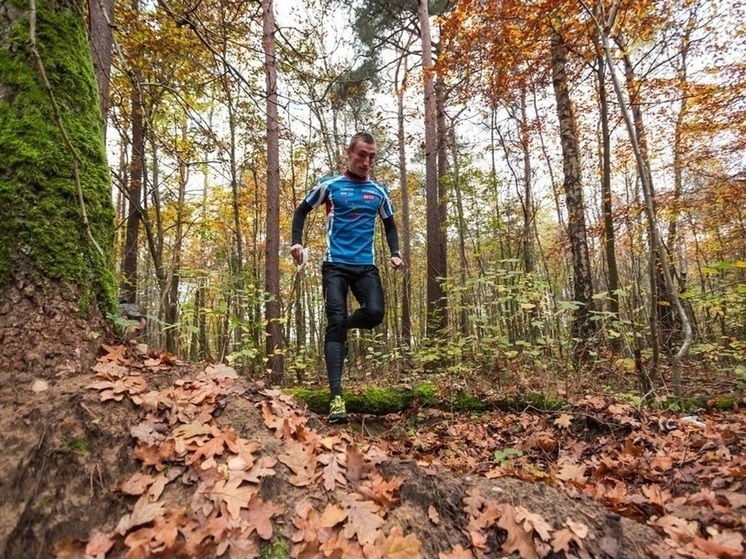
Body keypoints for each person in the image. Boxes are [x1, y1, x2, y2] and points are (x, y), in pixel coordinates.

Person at [290, 132, 404, 423]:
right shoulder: (330, 186)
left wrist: (395, 251)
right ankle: (336, 398)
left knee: (375, 313)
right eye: (361, 155)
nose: (367, 161)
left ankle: (343, 329)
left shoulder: (378, 191)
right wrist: (297, 242)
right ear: (348, 153)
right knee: (335, 319)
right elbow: (301, 211)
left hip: (365, 265)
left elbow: (389, 224)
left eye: (371, 156)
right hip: (335, 266)